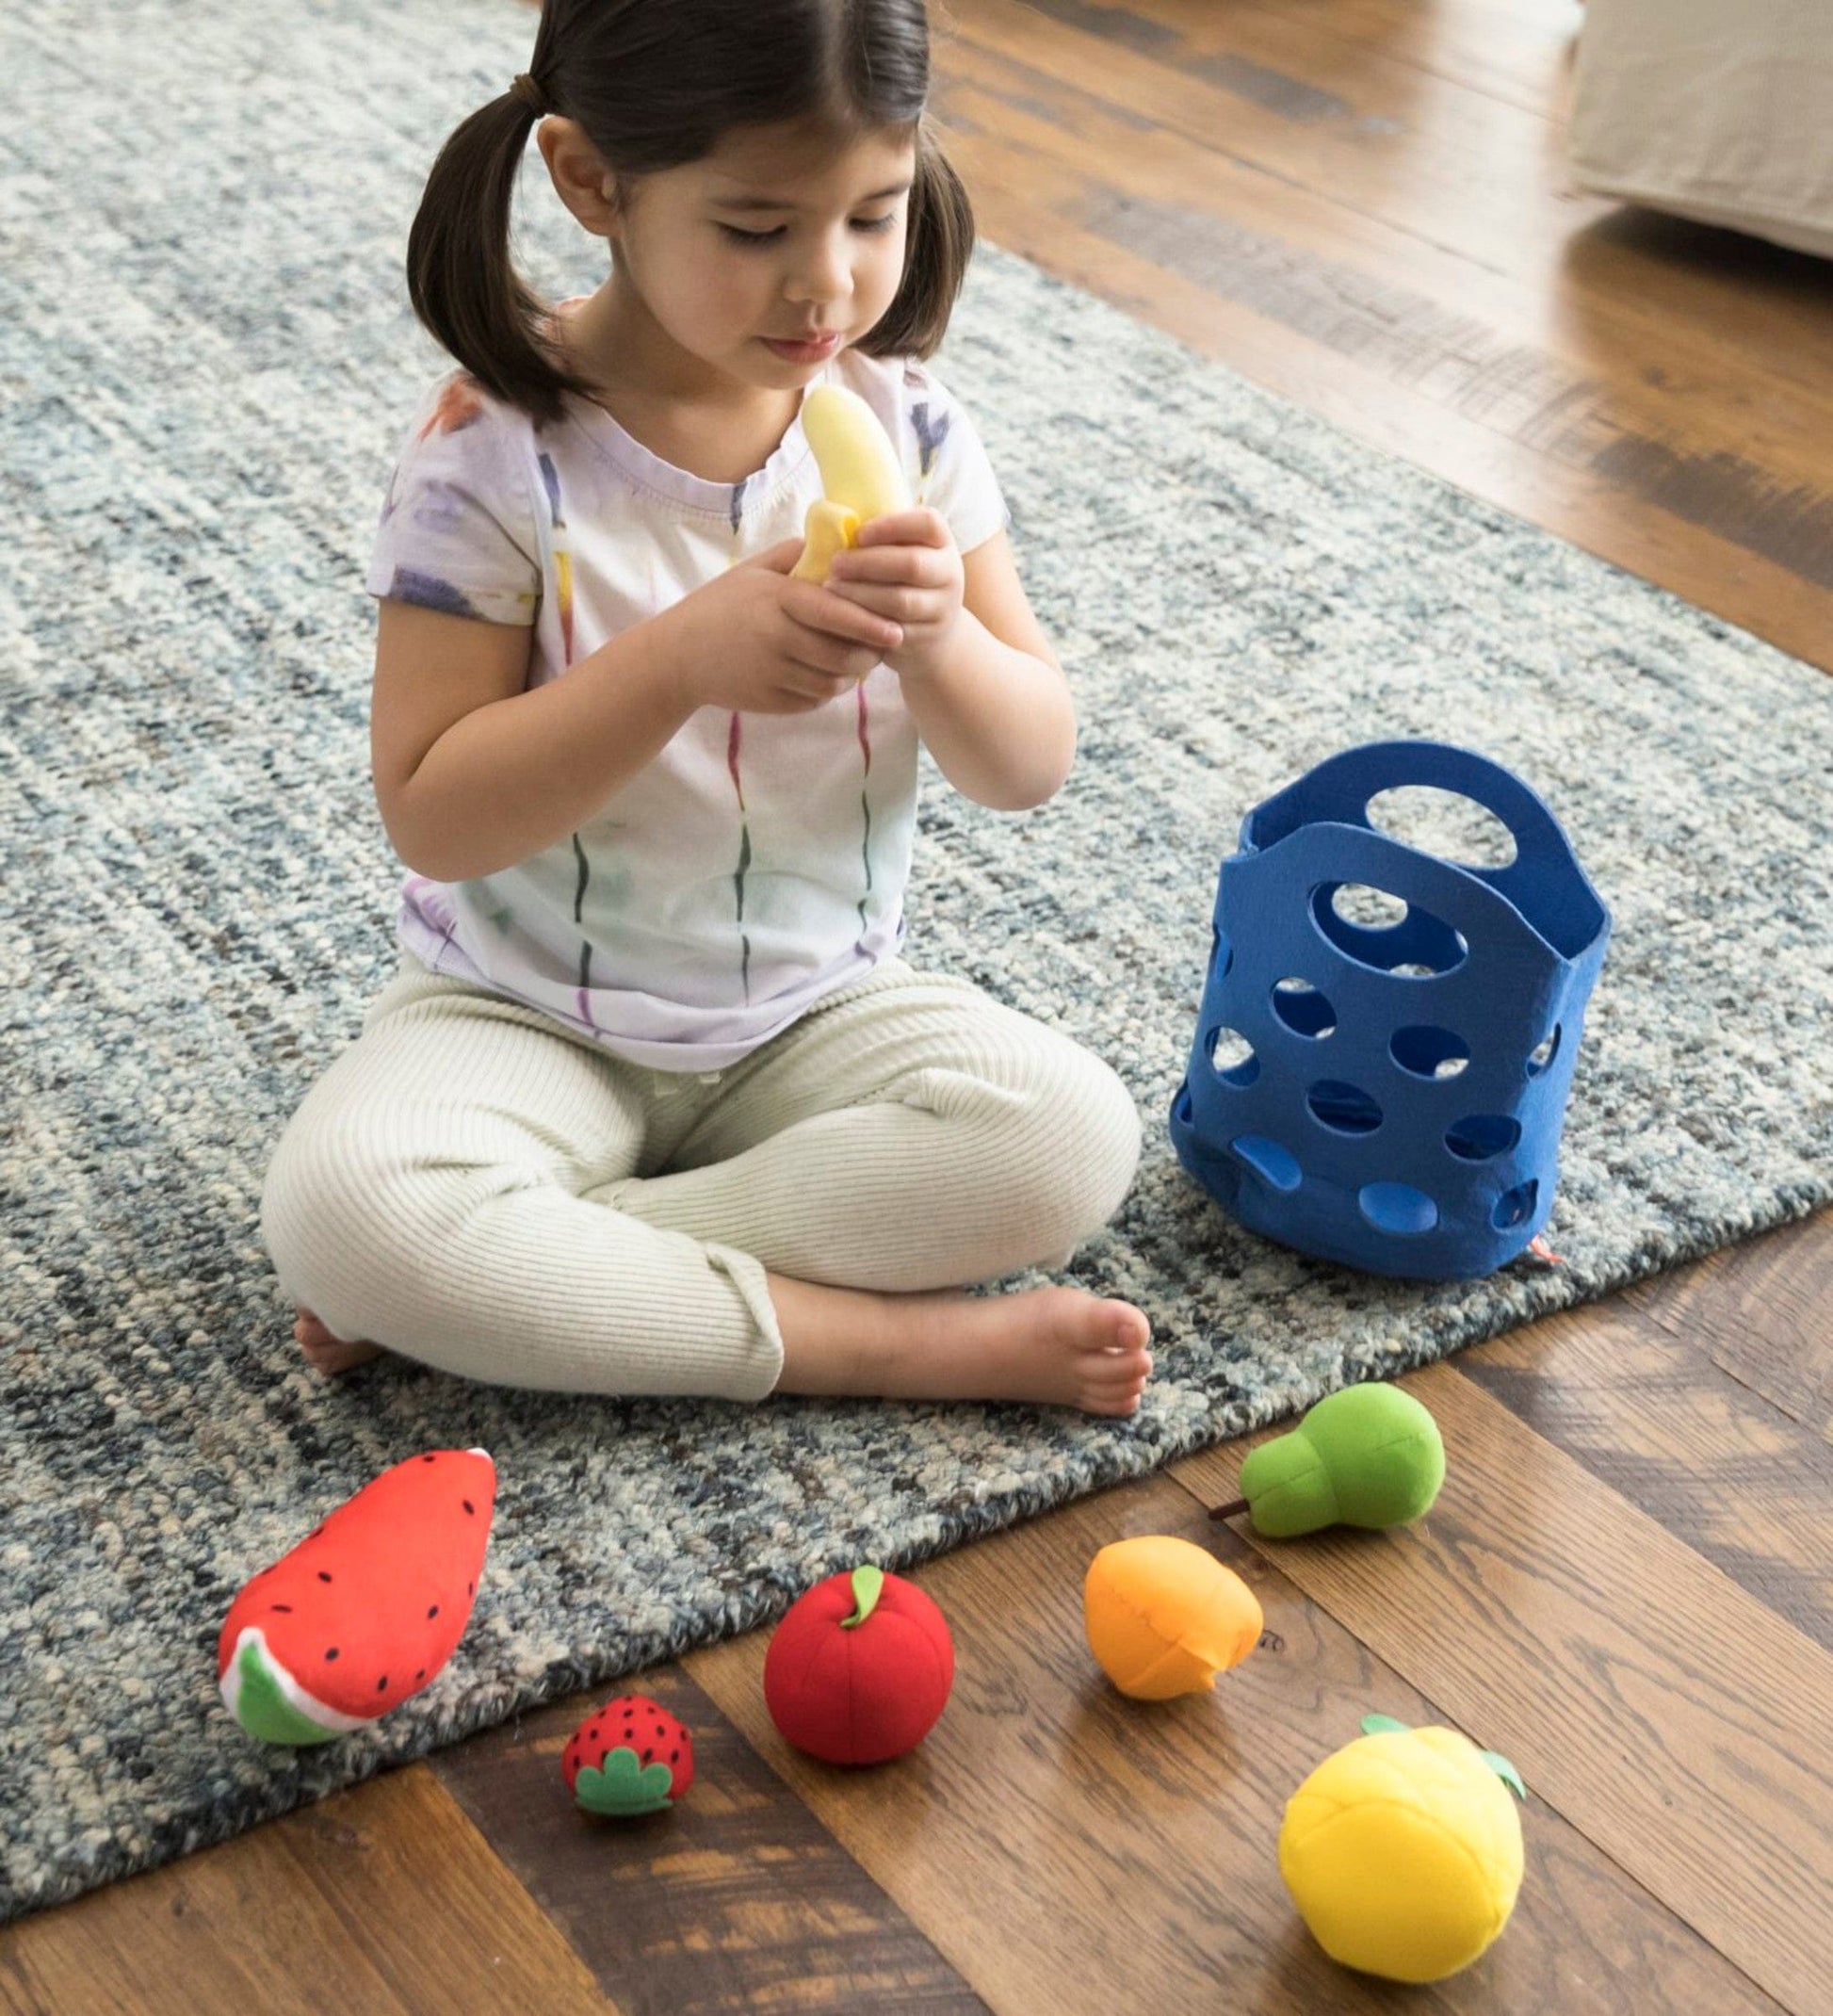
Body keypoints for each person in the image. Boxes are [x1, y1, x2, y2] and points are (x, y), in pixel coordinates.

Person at [259, 0, 1153, 1415]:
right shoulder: (490, 456)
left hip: (815, 1012)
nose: (826, 289)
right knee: (346, 1210)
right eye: (754, 230)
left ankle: (528, 1280)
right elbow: (433, 812)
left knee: (1065, 1139)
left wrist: (938, 647)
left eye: (874, 214)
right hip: (526, 1011)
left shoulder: (906, 424)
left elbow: (1028, 759)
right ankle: (890, 1347)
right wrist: (675, 662)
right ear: (591, 180)